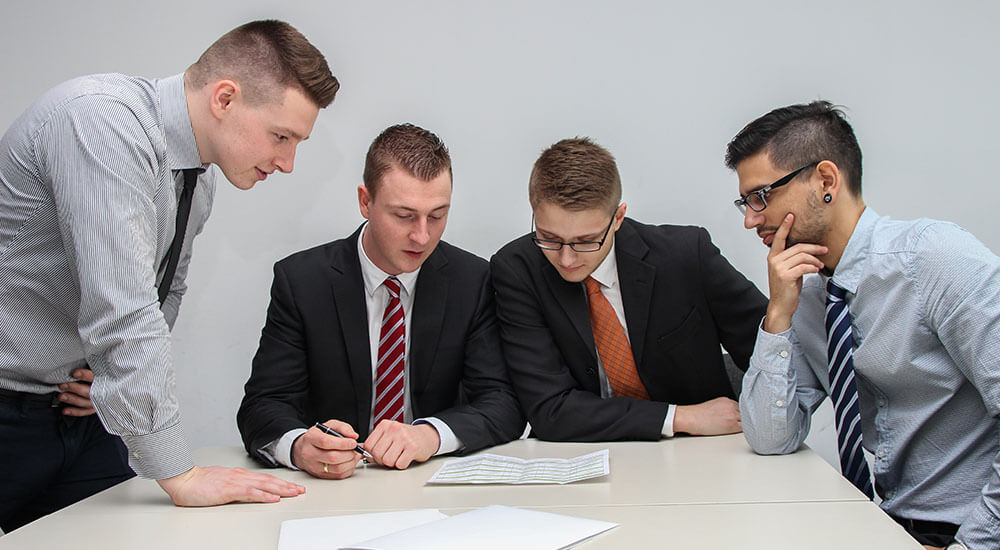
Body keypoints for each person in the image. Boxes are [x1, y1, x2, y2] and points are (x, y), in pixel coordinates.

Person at [0, 20, 340, 531]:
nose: (288, 162)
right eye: (281, 136)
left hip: (77, 414)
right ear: (224, 98)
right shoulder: (101, 122)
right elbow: (124, 312)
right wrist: (180, 473)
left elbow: (165, 292)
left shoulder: (197, 180)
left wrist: (108, 380)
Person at [727, 100, 999, 550]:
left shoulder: (936, 260)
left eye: (761, 196)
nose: (751, 219)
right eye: (745, 201)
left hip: (969, 530)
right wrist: (777, 315)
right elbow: (770, 438)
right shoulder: (810, 293)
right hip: (888, 525)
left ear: (826, 181)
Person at [237, 123, 524, 478]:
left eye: (437, 216)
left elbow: (504, 404)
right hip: (332, 489)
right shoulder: (302, 282)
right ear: (365, 202)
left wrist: (429, 435)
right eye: (404, 216)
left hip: (429, 482)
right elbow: (263, 405)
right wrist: (299, 447)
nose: (422, 236)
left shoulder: (472, 281)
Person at [490, 137, 767, 442]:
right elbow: (550, 410)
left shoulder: (686, 256)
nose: (566, 259)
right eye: (549, 237)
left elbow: (771, 355)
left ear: (618, 217)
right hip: (584, 454)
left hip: (704, 451)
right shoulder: (517, 270)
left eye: (586, 241)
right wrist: (679, 417)